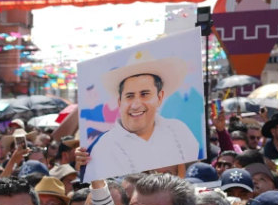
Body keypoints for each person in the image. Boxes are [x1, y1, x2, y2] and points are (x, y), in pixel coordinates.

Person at [83, 53, 201, 181]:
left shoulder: (179, 131)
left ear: (159, 98)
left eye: (144, 94)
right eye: (130, 96)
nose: (136, 105)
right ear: (119, 102)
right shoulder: (102, 148)